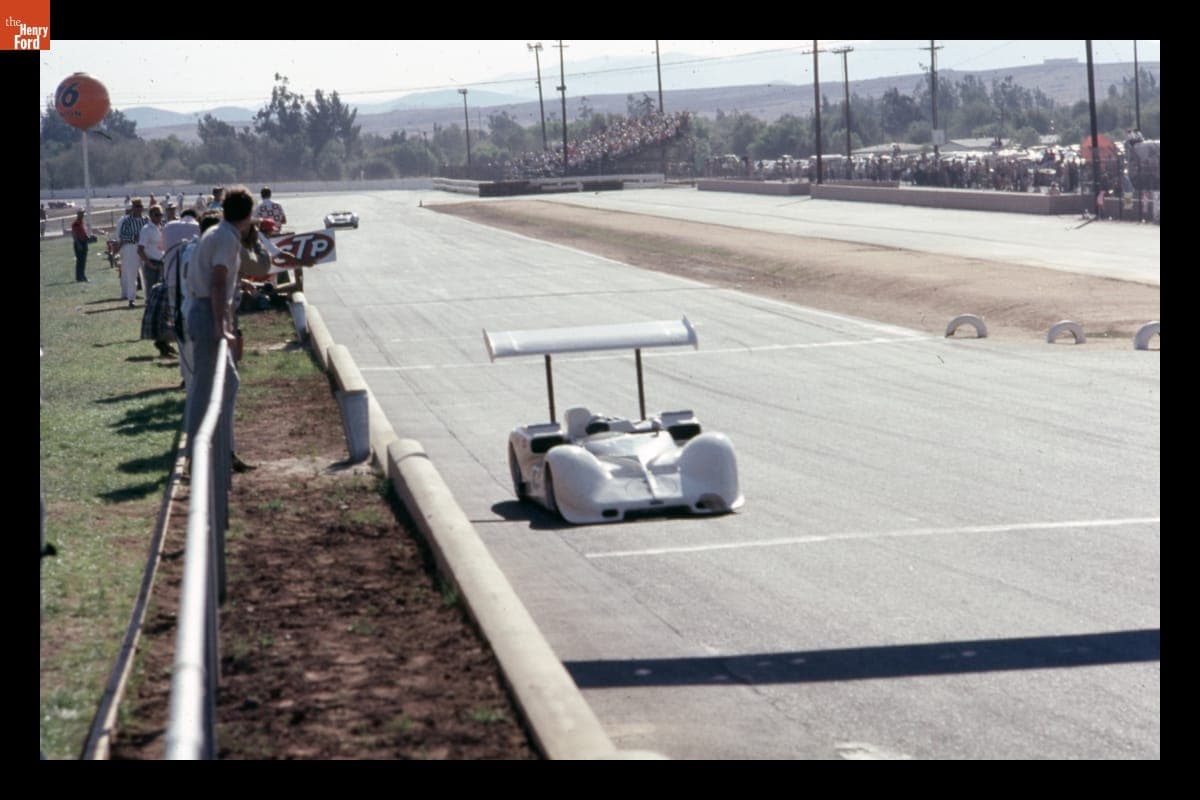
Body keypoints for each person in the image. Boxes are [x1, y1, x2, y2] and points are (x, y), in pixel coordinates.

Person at [184, 186, 270, 473]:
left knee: (228, 383)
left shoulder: (220, 233)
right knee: (205, 387)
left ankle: (223, 449)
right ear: (248, 215)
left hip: (210, 310)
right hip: (209, 312)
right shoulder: (226, 239)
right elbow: (218, 282)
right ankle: (198, 455)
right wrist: (221, 325)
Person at [117, 198, 149, 306]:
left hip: (145, 248)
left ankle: (147, 298)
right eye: (136, 207)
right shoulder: (127, 221)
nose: (139, 209)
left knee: (146, 274)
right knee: (132, 274)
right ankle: (131, 298)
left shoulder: (146, 220)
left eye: (140, 206)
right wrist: (134, 237)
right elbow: (123, 236)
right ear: (133, 208)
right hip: (132, 248)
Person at [70, 209, 90, 282]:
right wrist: (78, 244)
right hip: (79, 243)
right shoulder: (76, 223)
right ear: (78, 214)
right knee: (80, 261)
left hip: (84, 242)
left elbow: (83, 232)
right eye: (81, 213)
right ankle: (79, 277)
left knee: (83, 260)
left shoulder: (82, 222)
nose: (83, 215)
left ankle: (82, 276)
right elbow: (74, 235)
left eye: (83, 213)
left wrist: (87, 237)